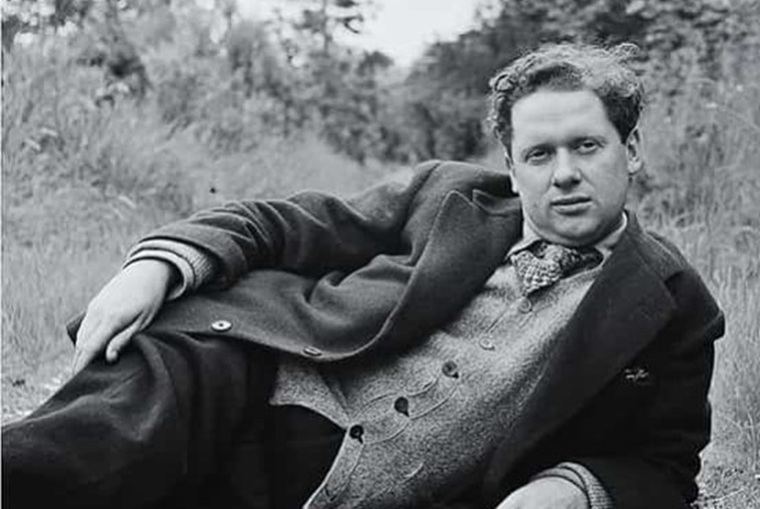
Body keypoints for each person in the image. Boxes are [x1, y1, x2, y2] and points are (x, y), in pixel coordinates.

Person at [2, 42, 724, 509]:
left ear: (631, 150)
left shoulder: (671, 301)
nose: (564, 173)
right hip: (240, 375)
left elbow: (665, 465)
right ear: (511, 167)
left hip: (333, 488)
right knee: (58, 465)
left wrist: (573, 490)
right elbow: (287, 222)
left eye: (587, 146)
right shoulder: (448, 196)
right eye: (540, 154)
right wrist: (158, 264)